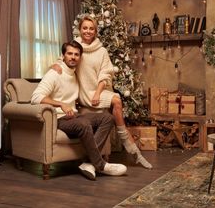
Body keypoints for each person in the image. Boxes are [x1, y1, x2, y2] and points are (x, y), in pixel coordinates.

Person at [53, 15, 152, 169]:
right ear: (80, 30)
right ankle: (121, 148)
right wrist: (56, 66)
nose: (88, 31)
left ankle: (125, 140)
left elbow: (105, 74)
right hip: (82, 92)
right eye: (85, 28)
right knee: (116, 101)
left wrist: (98, 93)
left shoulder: (102, 51)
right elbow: (63, 60)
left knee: (116, 100)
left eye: (91, 28)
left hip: (98, 89)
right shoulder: (75, 47)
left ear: (96, 31)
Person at [31, 40, 127, 180]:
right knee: (84, 124)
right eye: (69, 53)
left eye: (76, 54)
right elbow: (35, 97)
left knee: (108, 118)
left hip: (74, 116)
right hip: (58, 118)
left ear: (80, 57)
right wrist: (60, 104)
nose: (73, 57)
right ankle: (100, 165)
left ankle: (89, 163)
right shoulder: (54, 73)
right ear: (63, 56)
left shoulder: (75, 74)